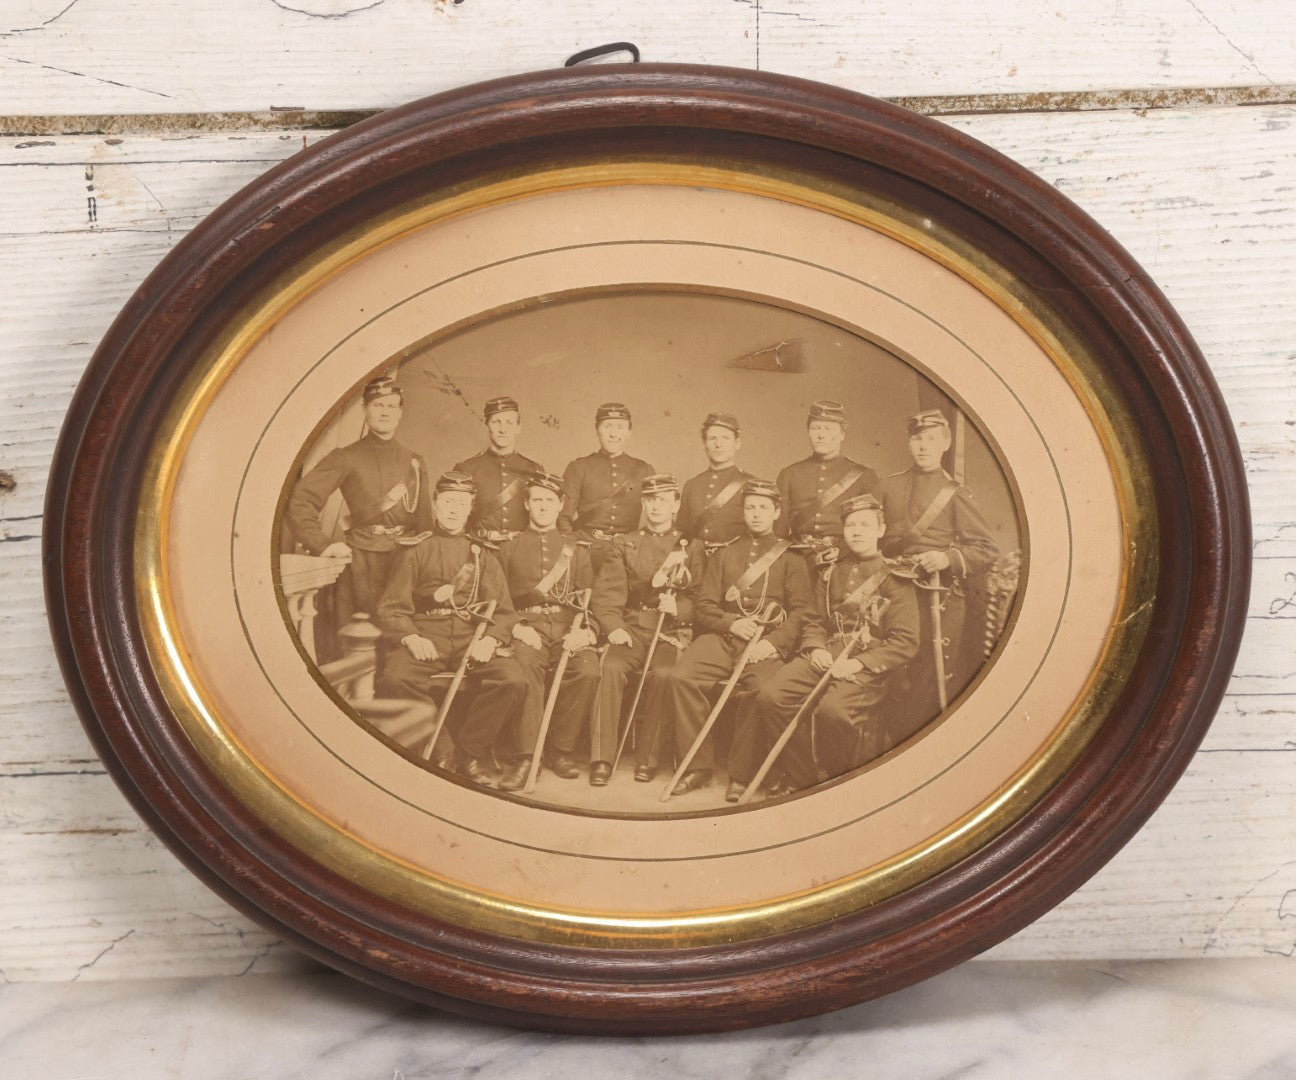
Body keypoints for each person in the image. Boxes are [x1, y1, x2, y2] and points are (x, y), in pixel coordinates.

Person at [725, 494, 920, 800]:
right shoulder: (831, 570)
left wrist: (857, 664)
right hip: (827, 652)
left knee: (832, 711)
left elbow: (905, 641)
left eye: (865, 525)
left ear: (881, 530)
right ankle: (803, 778)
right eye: (851, 525)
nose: (857, 531)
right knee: (771, 696)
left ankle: (834, 781)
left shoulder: (896, 577)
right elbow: (815, 620)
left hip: (868, 665)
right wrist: (815, 647)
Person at [645, 478, 813, 794]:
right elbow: (704, 607)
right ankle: (696, 766)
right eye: (750, 507)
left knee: (761, 689)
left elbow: (803, 613)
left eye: (764, 507)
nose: (756, 514)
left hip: (765, 642)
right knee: (681, 677)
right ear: (743, 511)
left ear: (777, 512)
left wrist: (772, 643)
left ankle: (742, 773)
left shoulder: (791, 558)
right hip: (723, 638)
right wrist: (731, 623)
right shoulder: (725, 554)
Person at [374, 471, 525, 787]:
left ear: (471, 507)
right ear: (435, 504)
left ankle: (470, 752)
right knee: (395, 678)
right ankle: (443, 751)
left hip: (472, 636)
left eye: (461, 503)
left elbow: (505, 611)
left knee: (512, 679)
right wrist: (411, 636)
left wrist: (491, 639)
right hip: (427, 632)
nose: (454, 509)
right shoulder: (414, 549)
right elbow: (390, 608)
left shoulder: (483, 553)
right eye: (447, 502)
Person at [877, 409, 999, 725]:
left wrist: (946, 558)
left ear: (945, 443)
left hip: (936, 597)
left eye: (932, 439)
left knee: (925, 681)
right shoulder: (888, 486)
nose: (923, 446)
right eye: (917, 439)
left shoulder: (956, 493)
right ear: (909, 443)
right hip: (891, 593)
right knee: (886, 674)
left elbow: (986, 550)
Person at [285, 375, 433, 622]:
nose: (384, 412)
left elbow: (425, 522)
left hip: (406, 563)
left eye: (391, 406)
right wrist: (324, 544)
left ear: (400, 413)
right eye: (377, 405)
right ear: (365, 410)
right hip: (361, 564)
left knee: (401, 637)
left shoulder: (414, 461)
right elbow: (300, 501)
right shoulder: (345, 457)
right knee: (357, 638)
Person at [589, 473, 699, 787]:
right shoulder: (624, 543)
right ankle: (601, 759)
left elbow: (700, 599)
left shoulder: (690, 546)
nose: (656, 507)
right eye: (650, 500)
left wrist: (678, 609)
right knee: (610, 667)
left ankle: (647, 760)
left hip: (669, 631)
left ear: (676, 504)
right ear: (643, 503)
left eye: (664, 499)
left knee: (664, 675)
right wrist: (613, 627)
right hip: (633, 628)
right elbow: (608, 595)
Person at [494, 473, 599, 791]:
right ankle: (528, 756)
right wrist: (516, 626)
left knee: (588, 669)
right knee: (525, 666)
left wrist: (588, 631)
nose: (542, 506)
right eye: (536, 500)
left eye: (549, 500)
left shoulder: (577, 550)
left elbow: (588, 601)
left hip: (568, 626)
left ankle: (559, 750)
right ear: (526, 504)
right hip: (527, 627)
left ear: (561, 505)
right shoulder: (508, 547)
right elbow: (498, 600)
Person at [776, 399, 879, 570]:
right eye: (815, 428)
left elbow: (872, 528)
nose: (821, 435)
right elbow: (778, 532)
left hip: (845, 560)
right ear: (808, 432)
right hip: (797, 560)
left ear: (842, 434)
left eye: (828, 428)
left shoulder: (863, 476)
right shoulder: (789, 474)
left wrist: (845, 551)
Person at [559, 402, 655, 574]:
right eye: (607, 426)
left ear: (629, 432)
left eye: (620, 427)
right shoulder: (579, 467)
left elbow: (657, 519)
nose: (613, 434)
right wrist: (574, 552)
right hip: (586, 552)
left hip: (629, 555)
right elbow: (563, 519)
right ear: (597, 430)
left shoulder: (644, 470)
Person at [453, 396, 545, 543]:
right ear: (487, 425)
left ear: (518, 427)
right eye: (496, 422)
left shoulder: (534, 470)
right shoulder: (467, 468)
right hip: (479, 547)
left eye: (509, 422)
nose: (503, 429)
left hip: (520, 548)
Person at [677, 411, 751, 556]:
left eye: (725, 438)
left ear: (737, 443)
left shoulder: (751, 484)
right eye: (712, 438)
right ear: (704, 444)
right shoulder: (692, 484)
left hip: (734, 562)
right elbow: (682, 531)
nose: (718, 444)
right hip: (695, 563)